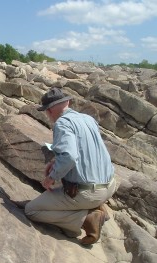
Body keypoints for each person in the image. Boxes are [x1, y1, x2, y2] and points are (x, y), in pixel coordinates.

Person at [24, 87, 116, 246]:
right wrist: (55, 163)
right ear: (68, 102)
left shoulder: (62, 124)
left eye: (46, 111)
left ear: (50, 110)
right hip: (109, 186)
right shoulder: (88, 119)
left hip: (89, 193)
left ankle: (87, 219)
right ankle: (96, 205)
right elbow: (85, 151)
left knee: (31, 210)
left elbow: (70, 156)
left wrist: (51, 177)